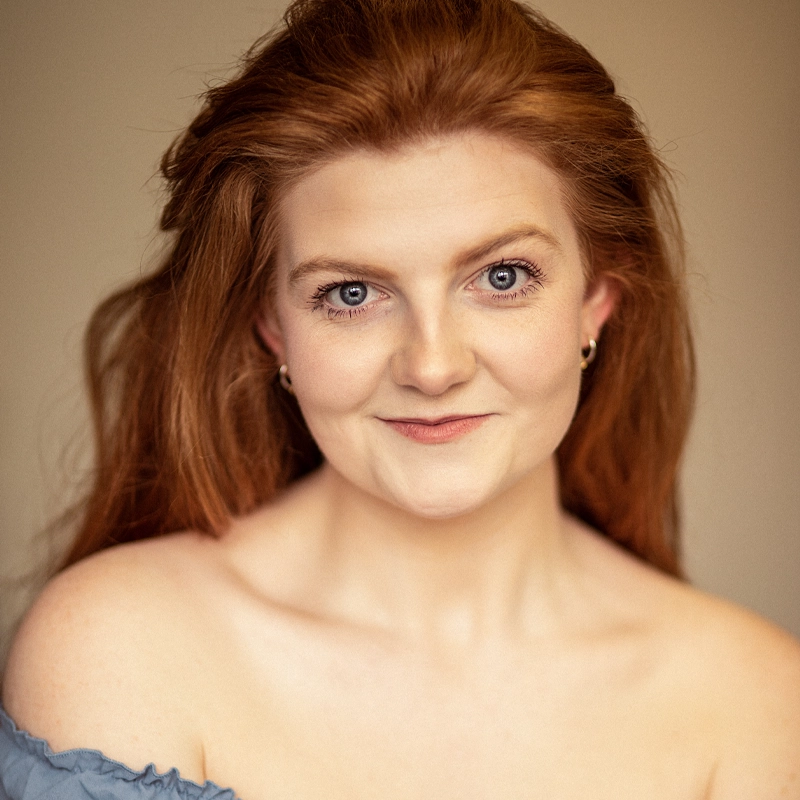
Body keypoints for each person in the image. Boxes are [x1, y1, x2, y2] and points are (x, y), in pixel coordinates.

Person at [2, 0, 799, 797]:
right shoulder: (123, 650)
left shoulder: (760, 706)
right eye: (351, 293)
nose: (432, 365)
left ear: (596, 299)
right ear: (271, 326)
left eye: (502, 277)